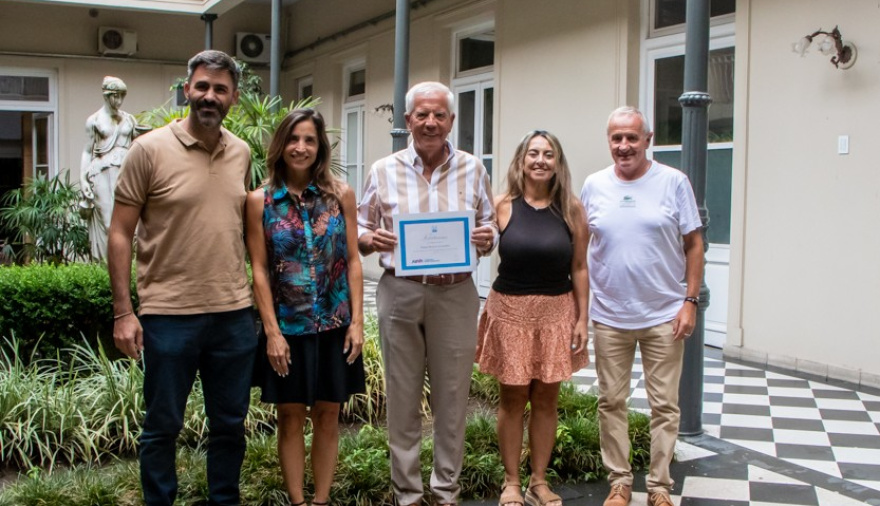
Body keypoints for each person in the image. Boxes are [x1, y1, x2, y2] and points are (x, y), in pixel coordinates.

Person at [108, 50, 256, 506]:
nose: (210, 96)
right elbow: (119, 233)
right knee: (162, 425)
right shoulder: (148, 149)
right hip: (168, 315)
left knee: (230, 424)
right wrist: (123, 312)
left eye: (220, 89)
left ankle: (223, 500)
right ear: (187, 89)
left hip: (233, 313)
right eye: (202, 86)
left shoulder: (241, 152)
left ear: (233, 97)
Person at [357, 81, 497, 506]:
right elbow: (359, 228)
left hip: (455, 294)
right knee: (401, 396)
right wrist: (370, 240)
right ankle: (408, 494)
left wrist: (488, 237)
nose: (431, 122)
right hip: (400, 291)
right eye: (422, 114)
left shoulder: (474, 169)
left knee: (453, 398)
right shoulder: (383, 170)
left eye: (439, 115)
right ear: (408, 120)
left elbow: (489, 224)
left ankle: (445, 491)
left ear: (452, 121)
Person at [580, 107, 704, 506]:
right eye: (616, 138)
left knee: (664, 405)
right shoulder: (593, 185)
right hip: (611, 316)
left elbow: (694, 244)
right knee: (610, 401)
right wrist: (580, 309)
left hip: (663, 315)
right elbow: (582, 251)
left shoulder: (673, 182)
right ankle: (619, 482)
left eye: (632, 137)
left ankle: (659, 486)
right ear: (609, 141)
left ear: (648, 140)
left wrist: (690, 300)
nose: (624, 146)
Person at [246, 108, 366, 506]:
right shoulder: (259, 201)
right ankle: (298, 501)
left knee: (329, 415)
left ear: (320, 147)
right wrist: (272, 333)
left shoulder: (340, 196)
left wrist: (357, 323)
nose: (301, 147)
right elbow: (259, 271)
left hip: (334, 325)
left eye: (309, 140)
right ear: (281, 145)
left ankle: (321, 500)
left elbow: (351, 260)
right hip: (288, 329)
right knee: (291, 416)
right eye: (293, 139)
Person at [476, 130, 590, 506]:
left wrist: (581, 319)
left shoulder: (571, 209)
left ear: (557, 163)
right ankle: (511, 482)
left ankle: (538, 482)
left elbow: (579, 267)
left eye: (549, 154)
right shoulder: (501, 206)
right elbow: (478, 243)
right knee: (511, 399)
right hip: (509, 311)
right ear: (521, 161)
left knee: (546, 401)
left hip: (557, 312)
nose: (540, 160)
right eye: (533, 153)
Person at [80, 76, 140, 261]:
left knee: (132, 224)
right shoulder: (95, 120)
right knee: (108, 222)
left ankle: (129, 268)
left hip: (126, 172)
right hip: (102, 173)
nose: (120, 101)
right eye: (116, 96)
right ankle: (108, 270)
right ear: (106, 96)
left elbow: (138, 144)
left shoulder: (129, 119)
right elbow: (87, 151)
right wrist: (83, 180)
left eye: (122, 96)